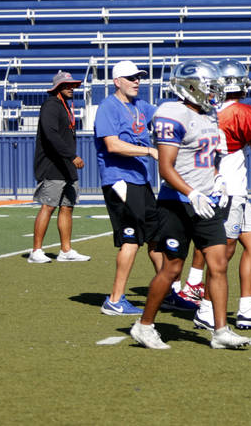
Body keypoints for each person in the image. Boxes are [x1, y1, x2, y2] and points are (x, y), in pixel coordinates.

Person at [129, 59, 249, 350]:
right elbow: (166, 168)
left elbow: (212, 158)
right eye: (210, 87)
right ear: (191, 87)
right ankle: (144, 326)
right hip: (177, 202)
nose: (214, 92)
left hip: (207, 201)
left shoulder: (209, 115)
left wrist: (218, 178)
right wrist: (192, 192)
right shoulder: (172, 113)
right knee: (171, 269)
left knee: (218, 264)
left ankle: (220, 330)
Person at [187, 59, 251, 331]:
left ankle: (247, 307)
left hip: (229, 188)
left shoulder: (210, 110)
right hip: (229, 191)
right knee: (223, 252)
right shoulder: (242, 112)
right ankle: (206, 309)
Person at [93, 60, 164, 316]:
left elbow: (165, 115)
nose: (137, 81)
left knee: (157, 236)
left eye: (139, 77)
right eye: (131, 77)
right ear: (117, 81)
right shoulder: (107, 107)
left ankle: (167, 290)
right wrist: (149, 150)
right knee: (131, 239)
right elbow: (112, 145)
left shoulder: (141, 106)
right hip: (119, 180)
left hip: (140, 180)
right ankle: (115, 299)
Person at [29, 71, 90, 264]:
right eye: (66, 85)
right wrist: (71, 155)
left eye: (72, 85)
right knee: (48, 206)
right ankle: (36, 251)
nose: (71, 88)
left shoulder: (65, 106)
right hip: (53, 165)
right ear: (57, 88)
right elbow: (50, 134)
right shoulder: (50, 105)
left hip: (66, 166)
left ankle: (66, 250)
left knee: (67, 207)